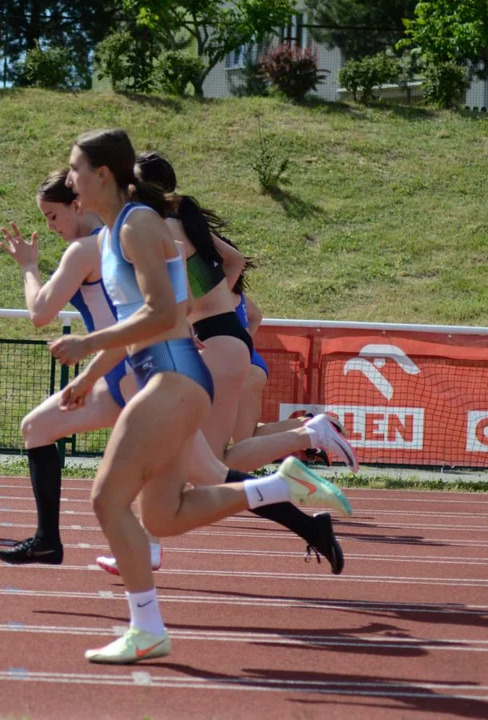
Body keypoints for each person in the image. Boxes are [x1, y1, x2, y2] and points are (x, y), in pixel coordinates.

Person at [49, 128, 353, 664]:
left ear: (102, 175)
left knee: (106, 499)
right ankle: (280, 484)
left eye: (74, 168)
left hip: (172, 380)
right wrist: (90, 372)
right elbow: (141, 322)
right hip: (169, 375)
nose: (69, 177)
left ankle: (147, 627)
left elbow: (164, 314)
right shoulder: (122, 227)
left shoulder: (139, 224)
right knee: (162, 516)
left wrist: (87, 343)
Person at [0, 169, 135, 564]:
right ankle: (47, 541)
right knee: (36, 428)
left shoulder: (87, 248)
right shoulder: (112, 238)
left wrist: (28, 265)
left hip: (135, 369)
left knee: (207, 472)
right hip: (118, 369)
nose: (51, 226)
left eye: (53, 216)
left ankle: (293, 494)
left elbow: (40, 313)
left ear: (77, 204)